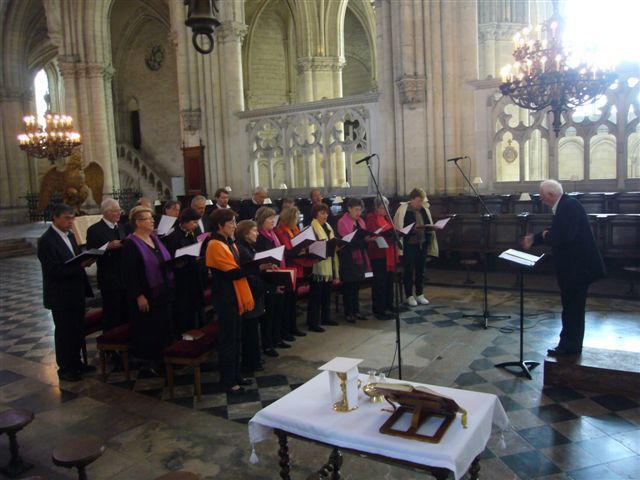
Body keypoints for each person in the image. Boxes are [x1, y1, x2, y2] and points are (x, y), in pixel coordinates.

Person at [521, 179, 605, 356]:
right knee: (570, 307)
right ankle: (568, 344)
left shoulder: (568, 206)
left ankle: (570, 347)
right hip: (574, 267)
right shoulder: (566, 205)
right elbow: (557, 232)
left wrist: (546, 235)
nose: (543, 202)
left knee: (573, 309)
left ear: (552, 195)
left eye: (543, 198)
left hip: (577, 268)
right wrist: (536, 238)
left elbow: (564, 236)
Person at [37, 204, 96, 382]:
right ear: (55, 217)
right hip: (60, 294)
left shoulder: (69, 235)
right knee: (64, 332)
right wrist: (80, 266)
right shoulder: (46, 240)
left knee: (77, 329)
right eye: (66, 218)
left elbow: (75, 257)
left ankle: (77, 363)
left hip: (75, 291)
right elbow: (53, 270)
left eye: (72, 218)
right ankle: (65, 368)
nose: (70, 222)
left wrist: (85, 259)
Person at [205, 209, 254, 394]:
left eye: (235, 222)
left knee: (237, 338)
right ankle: (227, 381)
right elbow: (232, 272)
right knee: (228, 341)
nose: (235, 226)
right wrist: (255, 267)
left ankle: (237, 375)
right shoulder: (215, 244)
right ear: (220, 225)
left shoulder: (228, 242)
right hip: (226, 297)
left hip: (235, 296)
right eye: (231, 223)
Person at [122, 206, 174, 372]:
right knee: (149, 328)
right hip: (146, 293)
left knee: (163, 325)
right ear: (137, 223)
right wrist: (139, 295)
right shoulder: (131, 243)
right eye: (147, 219)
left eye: (152, 218)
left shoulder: (154, 238)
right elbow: (130, 274)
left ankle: (164, 358)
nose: (152, 221)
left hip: (161, 290)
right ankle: (150, 362)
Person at [162, 208, 206, 336]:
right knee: (184, 310)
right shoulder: (173, 236)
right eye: (193, 222)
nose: (196, 225)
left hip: (194, 275)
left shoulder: (192, 232)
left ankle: (197, 331)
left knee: (196, 308)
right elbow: (172, 257)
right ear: (185, 222)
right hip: (181, 279)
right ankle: (184, 335)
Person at [86, 198, 128, 331]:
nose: (119, 213)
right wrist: (107, 246)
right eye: (116, 211)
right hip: (109, 277)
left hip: (123, 276)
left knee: (124, 313)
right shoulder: (95, 230)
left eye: (119, 210)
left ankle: (124, 345)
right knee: (112, 314)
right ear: (106, 212)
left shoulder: (121, 226)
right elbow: (91, 252)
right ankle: (111, 345)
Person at [255, 206, 292, 353]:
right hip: (267, 278)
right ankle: (267, 344)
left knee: (278, 310)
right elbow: (259, 258)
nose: (273, 221)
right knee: (269, 314)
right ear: (262, 220)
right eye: (270, 218)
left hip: (278, 274)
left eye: (273, 218)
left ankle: (277, 338)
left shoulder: (272, 235)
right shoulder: (260, 237)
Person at [393, 187, 438, 307]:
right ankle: (409, 295)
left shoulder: (424, 210)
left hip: (421, 244)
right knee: (408, 271)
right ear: (411, 200)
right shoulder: (403, 210)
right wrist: (411, 230)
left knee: (420, 270)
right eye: (418, 201)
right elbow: (399, 228)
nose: (419, 204)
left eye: (421, 201)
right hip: (409, 245)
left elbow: (428, 223)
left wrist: (430, 228)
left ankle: (419, 293)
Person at [235, 220, 269, 372]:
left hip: (254, 291)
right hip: (250, 292)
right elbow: (249, 273)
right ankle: (251, 361)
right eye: (254, 231)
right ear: (245, 233)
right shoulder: (242, 249)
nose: (257, 233)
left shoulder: (248, 247)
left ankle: (254, 358)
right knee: (250, 331)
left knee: (253, 329)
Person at [275, 206, 310, 338]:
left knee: (292, 301)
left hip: (297, 268)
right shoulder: (281, 231)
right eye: (296, 217)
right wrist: (300, 249)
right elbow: (287, 252)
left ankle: (293, 328)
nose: (297, 220)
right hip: (288, 268)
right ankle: (286, 330)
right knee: (287, 303)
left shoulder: (294, 229)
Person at [337, 198, 371, 323]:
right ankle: (348, 312)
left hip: (360, 257)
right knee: (349, 287)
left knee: (356, 286)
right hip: (348, 258)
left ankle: (356, 311)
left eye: (360, 210)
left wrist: (366, 240)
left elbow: (361, 240)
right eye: (356, 210)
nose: (358, 213)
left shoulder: (361, 222)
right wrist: (363, 240)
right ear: (349, 209)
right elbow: (348, 242)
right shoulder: (342, 222)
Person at [307, 203, 340, 332]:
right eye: (322, 213)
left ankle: (326, 317)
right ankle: (313, 322)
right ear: (315, 215)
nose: (325, 215)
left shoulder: (328, 226)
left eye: (326, 213)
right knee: (316, 296)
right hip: (318, 266)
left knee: (326, 293)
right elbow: (311, 246)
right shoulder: (312, 228)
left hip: (329, 262)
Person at [366, 196, 397, 320]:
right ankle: (379, 309)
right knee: (379, 283)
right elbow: (373, 233)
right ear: (376, 207)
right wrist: (386, 234)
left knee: (389, 281)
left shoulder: (386, 218)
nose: (385, 210)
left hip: (389, 253)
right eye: (382, 207)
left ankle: (388, 305)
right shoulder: (371, 218)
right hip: (377, 255)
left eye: (386, 207)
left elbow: (391, 231)